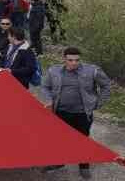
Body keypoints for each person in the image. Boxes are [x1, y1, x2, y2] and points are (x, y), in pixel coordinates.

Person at [41, 47, 111, 179]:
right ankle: (59, 162)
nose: (74, 63)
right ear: (64, 59)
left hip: (82, 113)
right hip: (60, 112)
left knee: (83, 139)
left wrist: (98, 103)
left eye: (77, 60)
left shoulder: (92, 71)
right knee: (59, 139)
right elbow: (45, 86)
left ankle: (83, 165)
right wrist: (49, 100)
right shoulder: (54, 71)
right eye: (70, 60)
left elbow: (106, 85)